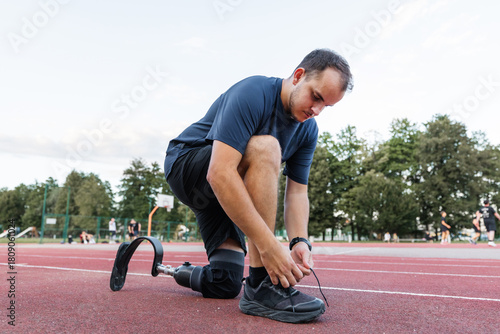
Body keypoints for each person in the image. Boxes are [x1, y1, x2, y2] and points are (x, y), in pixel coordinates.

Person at [163, 49, 353, 323]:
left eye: (327, 107)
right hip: (188, 167)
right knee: (265, 146)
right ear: (298, 76)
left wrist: (299, 240)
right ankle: (264, 285)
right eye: (316, 97)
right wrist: (269, 246)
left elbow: (297, 192)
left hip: (225, 192)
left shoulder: (308, 130)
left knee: (225, 283)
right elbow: (219, 173)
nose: (317, 111)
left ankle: (168, 270)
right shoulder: (254, 92)